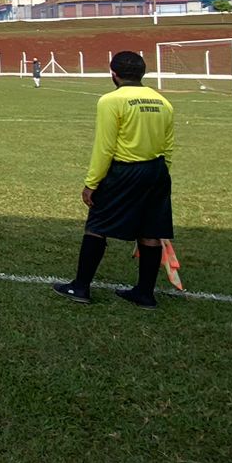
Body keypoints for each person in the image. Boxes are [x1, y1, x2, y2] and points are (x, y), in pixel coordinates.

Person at [53, 51, 176, 310]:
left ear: (114, 74)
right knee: (151, 231)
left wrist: (92, 183)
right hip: (157, 171)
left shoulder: (111, 101)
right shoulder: (163, 102)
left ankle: (81, 286)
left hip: (124, 170)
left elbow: (105, 146)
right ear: (142, 73)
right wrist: (161, 172)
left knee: (97, 225)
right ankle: (145, 293)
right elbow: (168, 145)